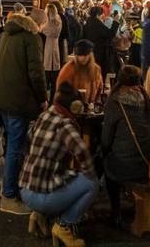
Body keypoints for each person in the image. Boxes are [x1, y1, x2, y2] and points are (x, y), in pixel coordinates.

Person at [0, 12, 47, 215]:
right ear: (38, 24)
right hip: (17, 98)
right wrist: (42, 97)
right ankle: (8, 196)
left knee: (11, 143)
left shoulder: (8, 34)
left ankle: (10, 187)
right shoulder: (31, 37)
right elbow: (36, 72)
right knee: (15, 148)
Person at [19, 83, 96, 247]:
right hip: (42, 197)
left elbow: (27, 142)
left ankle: (38, 214)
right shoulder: (65, 126)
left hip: (25, 190)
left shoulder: (43, 116)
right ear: (75, 107)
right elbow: (84, 155)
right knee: (91, 183)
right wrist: (85, 172)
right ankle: (63, 226)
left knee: (64, 176)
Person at [100, 64, 150, 226]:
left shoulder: (115, 101)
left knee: (107, 164)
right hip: (146, 161)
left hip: (126, 166)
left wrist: (104, 152)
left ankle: (115, 210)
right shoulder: (146, 98)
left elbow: (106, 139)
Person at [55, 40, 103, 106]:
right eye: (80, 55)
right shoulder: (68, 69)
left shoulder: (96, 69)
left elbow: (100, 90)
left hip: (91, 108)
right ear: (76, 55)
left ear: (90, 55)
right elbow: (60, 92)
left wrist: (96, 104)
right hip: (72, 108)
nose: (83, 58)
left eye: (86, 55)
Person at [81, 5, 119, 79]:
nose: (104, 16)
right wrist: (115, 21)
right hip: (99, 53)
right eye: (102, 14)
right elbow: (110, 34)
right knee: (98, 75)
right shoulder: (97, 24)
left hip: (89, 53)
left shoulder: (87, 23)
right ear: (98, 15)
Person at [42, 2, 64, 95]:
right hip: (56, 50)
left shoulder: (45, 23)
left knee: (45, 79)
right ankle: (52, 99)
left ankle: (45, 99)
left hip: (45, 51)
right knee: (54, 79)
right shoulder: (58, 21)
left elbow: (44, 31)